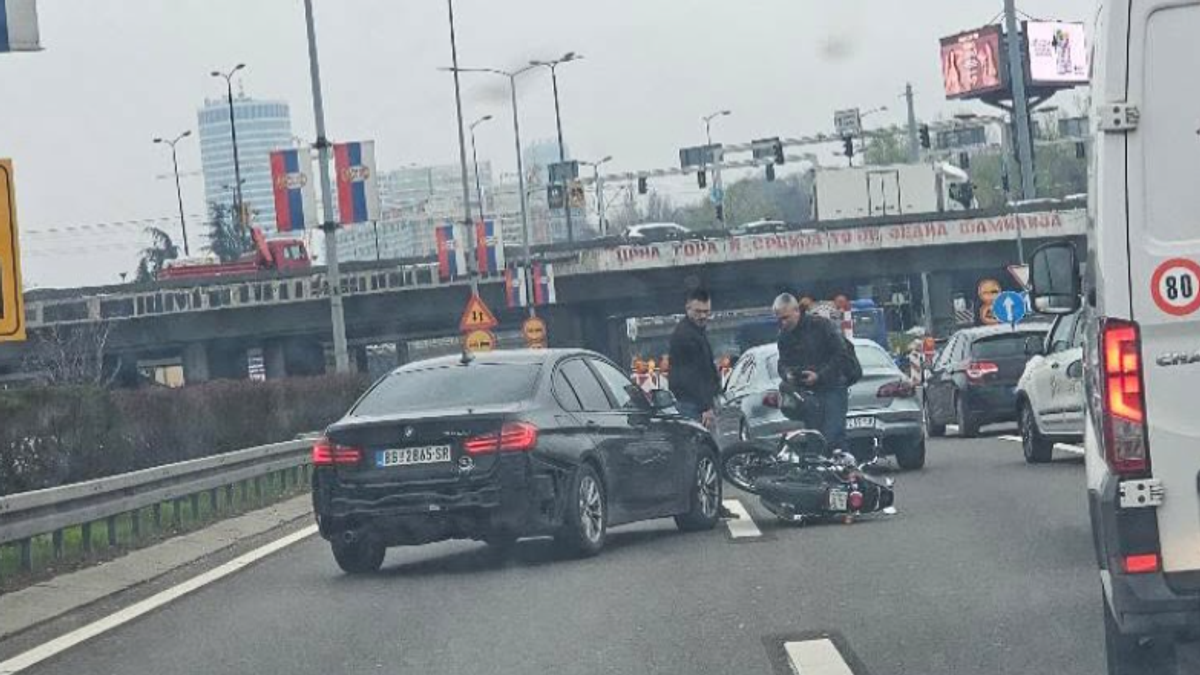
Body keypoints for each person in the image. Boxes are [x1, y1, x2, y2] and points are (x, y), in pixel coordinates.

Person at [773, 293, 852, 452]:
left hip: (832, 387)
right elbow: (782, 363)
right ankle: (820, 473)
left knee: (832, 437)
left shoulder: (821, 326)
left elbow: (841, 355)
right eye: (779, 319)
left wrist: (820, 375)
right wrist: (787, 374)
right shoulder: (784, 337)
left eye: (786, 317)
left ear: (797, 311)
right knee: (815, 440)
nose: (783, 323)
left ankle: (847, 471)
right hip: (808, 394)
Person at [668, 289, 720, 428]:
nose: (703, 316)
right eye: (698, 311)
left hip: (695, 404)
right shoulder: (685, 336)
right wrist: (706, 407)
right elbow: (692, 375)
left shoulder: (695, 332)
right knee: (704, 447)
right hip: (693, 406)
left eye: (706, 311)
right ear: (688, 309)